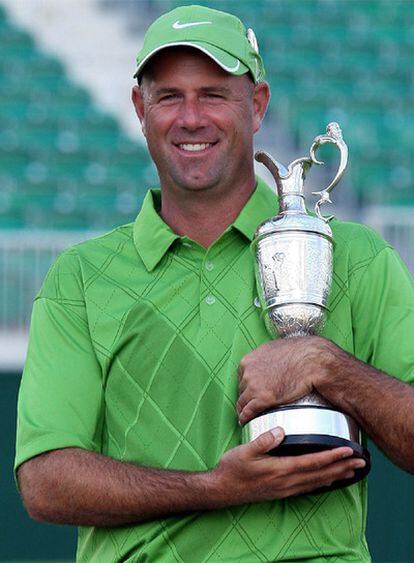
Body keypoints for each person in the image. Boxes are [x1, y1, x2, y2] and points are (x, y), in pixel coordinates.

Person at [15, 5, 414, 562]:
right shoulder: (79, 279)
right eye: (169, 96)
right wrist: (217, 489)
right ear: (140, 108)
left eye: (214, 94)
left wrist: (327, 365)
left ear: (257, 105)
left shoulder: (355, 256)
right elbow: (45, 480)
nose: (191, 117)